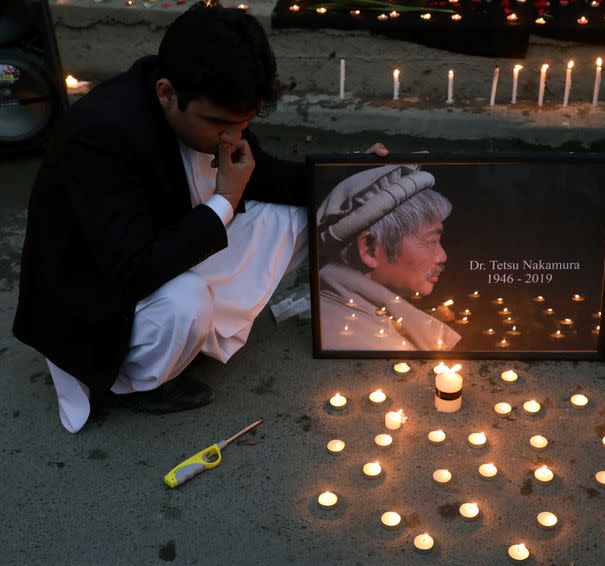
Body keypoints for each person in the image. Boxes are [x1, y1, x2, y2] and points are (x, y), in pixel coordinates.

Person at [12, 3, 387, 433]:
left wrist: (352, 173)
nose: (233, 138)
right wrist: (225, 199)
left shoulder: (210, 105)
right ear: (167, 93)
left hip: (168, 246)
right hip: (97, 297)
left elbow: (270, 179)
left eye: (243, 123)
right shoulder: (101, 136)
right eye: (220, 124)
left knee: (302, 215)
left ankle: (194, 340)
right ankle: (136, 383)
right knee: (185, 304)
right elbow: (133, 270)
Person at [316, 165, 460, 351]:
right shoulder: (371, 345)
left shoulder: (338, 306)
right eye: (432, 241)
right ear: (370, 248)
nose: (442, 256)